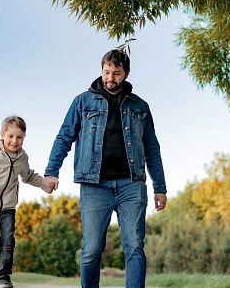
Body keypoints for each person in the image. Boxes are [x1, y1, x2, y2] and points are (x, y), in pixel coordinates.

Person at [43, 50, 167, 288]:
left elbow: (152, 148)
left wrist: (159, 187)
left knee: (135, 247)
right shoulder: (82, 102)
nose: (111, 78)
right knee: (91, 250)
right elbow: (64, 138)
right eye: (107, 72)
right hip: (94, 186)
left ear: (126, 74)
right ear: (102, 71)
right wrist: (52, 171)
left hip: (132, 184)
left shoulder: (140, 106)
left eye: (116, 73)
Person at [0, 115, 54, 288]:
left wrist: (43, 183)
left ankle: (4, 276)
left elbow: (28, 176)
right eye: (10, 136)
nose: (14, 141)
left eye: (19, 137)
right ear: (2, 135)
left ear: (24, 138)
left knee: (8, 241)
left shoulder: (22, 157)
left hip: (7, 207)